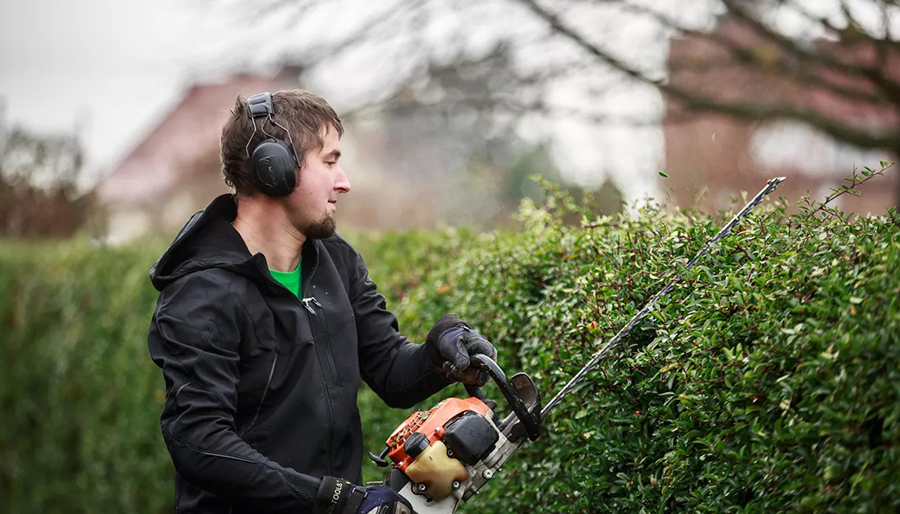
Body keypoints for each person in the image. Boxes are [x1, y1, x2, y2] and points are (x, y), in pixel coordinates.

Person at [147, 89, 496, 514]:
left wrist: (439, 352)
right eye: (330, 162)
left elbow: (390, 371)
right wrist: (331, 499)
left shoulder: (337, 260)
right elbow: (199, 441)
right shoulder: (201, 292)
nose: (344, 182)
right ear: (275, 170)